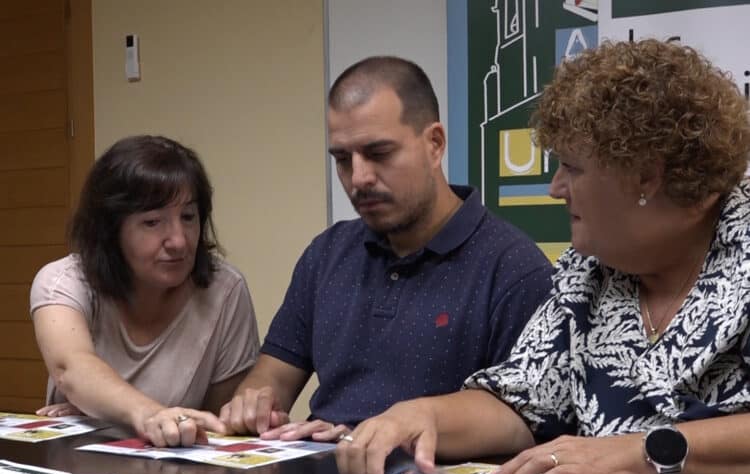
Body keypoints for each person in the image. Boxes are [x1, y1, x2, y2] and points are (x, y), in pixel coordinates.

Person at [335, 39, 750, 474]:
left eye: (571, 167)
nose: (556, 188)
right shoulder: (590, 270)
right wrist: (419, 416)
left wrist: (642, 451)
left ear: (646, 176)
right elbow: (521, 402)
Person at [219, 56, 553, 441]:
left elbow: (528, 420)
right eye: (343, 160)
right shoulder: (326, 254)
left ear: (434, 144)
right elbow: (273, 374)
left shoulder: (513, 268)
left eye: (379, 154)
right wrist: (254, 401)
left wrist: (401, 428)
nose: (358, 178)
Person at [31, 135, 260, 447]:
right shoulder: (64, 280)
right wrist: (149, 416)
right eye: (153, 222)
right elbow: (72, 368)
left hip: (175, 472)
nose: (178, 240)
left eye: (189, 217)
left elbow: (221, 421)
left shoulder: (225, 290)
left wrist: (112, 416)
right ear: (111, 230)